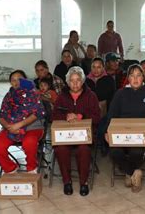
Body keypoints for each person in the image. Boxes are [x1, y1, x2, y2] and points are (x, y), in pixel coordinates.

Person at [105, 64, 145, 193]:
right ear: (128, 78)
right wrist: (107, 132)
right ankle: (133, 172)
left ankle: (128, 172)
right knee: (114, 151)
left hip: (143, 135)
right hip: (121, 134)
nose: (135, 79)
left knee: (136, 152)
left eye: (138, 75)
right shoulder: (120, 94)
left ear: (143, 77)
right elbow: (111, 115)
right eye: (132, 76)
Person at [52, 67, 100, 196]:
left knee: (83, 149)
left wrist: (81, 116)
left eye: (78, 80)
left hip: (85, 136)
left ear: (83, 81)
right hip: (66, 136)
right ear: (67, 82)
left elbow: (97, 117)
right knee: (60, 148)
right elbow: (54, 115)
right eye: (72, 81)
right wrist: (66, 116)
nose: (75, 83)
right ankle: (67, 182)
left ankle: (83, 182)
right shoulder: (62, 96)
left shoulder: (91, 96)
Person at [0, 70, 46, 174]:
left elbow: (37, 113)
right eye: (13, 80)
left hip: (32, 127)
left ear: (25, 80)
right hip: (11, 128)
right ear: (10, 82)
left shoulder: (33, 93)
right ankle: (10, 168)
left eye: (19, 79)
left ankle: (31, 168)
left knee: (29, 142)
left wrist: (19, 125)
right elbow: (1, 115)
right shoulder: (8, 96)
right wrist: (8, 127)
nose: (16, 82)